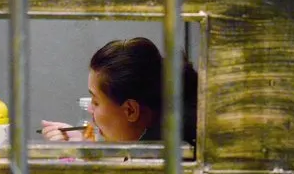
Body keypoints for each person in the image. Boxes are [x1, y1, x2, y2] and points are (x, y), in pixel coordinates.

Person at [40, 37, 198, 145]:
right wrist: (84, 145)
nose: (89, 109)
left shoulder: (170, 154)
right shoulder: (170, 129)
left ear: (130, 110)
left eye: (95, 102)